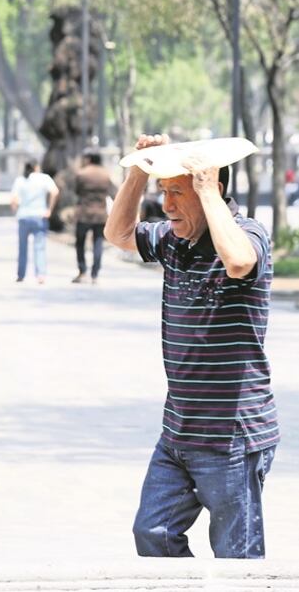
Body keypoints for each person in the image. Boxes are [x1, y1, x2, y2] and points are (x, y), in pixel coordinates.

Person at [105, 133, 276, 559]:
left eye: (176, 192)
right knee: (153, 532)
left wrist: (203, 188)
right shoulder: (172, 241)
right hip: (179, 430)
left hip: (231, 436)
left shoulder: (248, 235)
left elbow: (238, 261)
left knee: (237, 560)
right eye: (164, 192)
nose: (167, 206)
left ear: (211, 189)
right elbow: (118, 233)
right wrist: (137, 172)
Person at [72, 152, 118, 284]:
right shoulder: (106, 174)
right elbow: (113, 193)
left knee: (80, 243)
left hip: (84, 213)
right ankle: (95, 274)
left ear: (89, 159)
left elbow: (77, 191)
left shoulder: (82, 174)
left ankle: (82, 271)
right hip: (100, 215)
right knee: (98, 243)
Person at [10, 161, 58, 284]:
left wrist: (16, 212)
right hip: (40, 216)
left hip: (23, 216)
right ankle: (40, 275)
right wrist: (49, 209)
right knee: (40, 247)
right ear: (36, 167)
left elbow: (13, 200)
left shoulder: (20, 180)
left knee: (22, 247)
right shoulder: (44, 178)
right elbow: (55, 192)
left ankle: (21, 274)